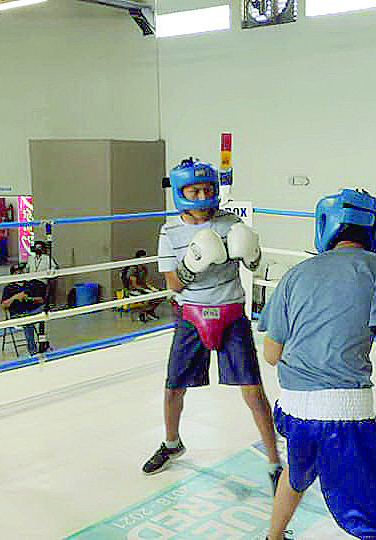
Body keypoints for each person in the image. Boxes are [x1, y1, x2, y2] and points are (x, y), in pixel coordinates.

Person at [259, 188, 376, 540]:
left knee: (297, 471)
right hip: (344, 416)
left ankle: (273, 536)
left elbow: (271, 353)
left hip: (292, 410)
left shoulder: (296, 273)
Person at [143, 158, 283, 493]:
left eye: (208, 188)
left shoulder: (231, 222)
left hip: (232, 314)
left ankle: (275, 462)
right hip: (190, 315)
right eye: (195, 189)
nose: (203, 195)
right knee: (173, 387)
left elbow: (253, 261)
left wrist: (250, 254)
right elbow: (174, 284)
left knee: (252, 390)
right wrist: (193, 265)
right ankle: (172, 442)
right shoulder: (170, 231)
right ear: (181, 192)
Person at [1, 264, 48, 355]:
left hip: (33, 311)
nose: (20, 274)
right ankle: (33, 351)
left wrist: (29, 298)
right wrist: (15, 297)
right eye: (17, 272)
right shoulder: (9, 288)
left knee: (44, 311)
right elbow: (4, 306)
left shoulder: (31, 285)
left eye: (21, 272)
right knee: (28, 322)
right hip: (18, 314)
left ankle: (43, 342)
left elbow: (41, 300)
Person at [122, 249, 160, 322]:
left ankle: (150, 311)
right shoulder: (133, 269)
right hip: (133, 290)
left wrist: (152, 288)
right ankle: (142, 314)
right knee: (147, 297)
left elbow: (146, 282)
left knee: (160, 296)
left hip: (142, 289)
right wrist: (145, 290)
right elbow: (134, 285)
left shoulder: (144, 269)